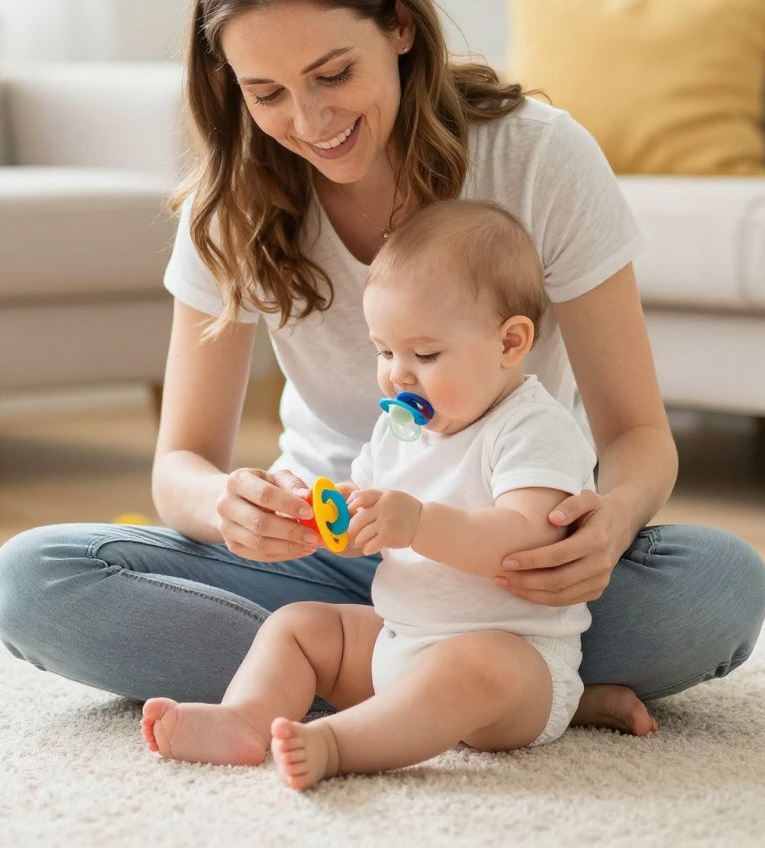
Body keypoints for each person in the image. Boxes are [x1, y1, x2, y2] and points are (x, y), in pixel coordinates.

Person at [0, 0, 765, 737]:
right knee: (39, 582)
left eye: (333, 74)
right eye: (267, 92)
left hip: (502, 568)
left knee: (720, 586)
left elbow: (637, 438)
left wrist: (608, 523)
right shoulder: (235, 204)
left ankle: (407, 680)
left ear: (400, 25)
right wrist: (229, 508)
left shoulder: (539, 158)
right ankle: (495, 695)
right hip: (326, 568)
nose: (310, 120)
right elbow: (181, 461)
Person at [143, 201, 599, 789]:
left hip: (516, 664)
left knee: (474, 665)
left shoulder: (533, 428)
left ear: (509, 343)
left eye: (425, 355)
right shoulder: (399, 429)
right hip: (398, 639)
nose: (398, 377)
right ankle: (244, 720)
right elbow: (366, 500)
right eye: (384, 352)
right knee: (300, 625)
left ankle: (336, 743)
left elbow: (527, 537)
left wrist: (416, 525)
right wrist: (323, 511)